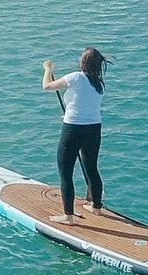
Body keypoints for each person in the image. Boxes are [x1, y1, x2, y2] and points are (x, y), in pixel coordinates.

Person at [41, 48, 107, 224]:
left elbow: (47, 86)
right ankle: (96, 206)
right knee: (91, 167)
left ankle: (68, 216)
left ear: (83, 62)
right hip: (94, 128)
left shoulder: (75, 77)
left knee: (66, 171)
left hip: (74, 129)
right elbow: (83, 103)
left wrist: (48, 69)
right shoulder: (98, 83)